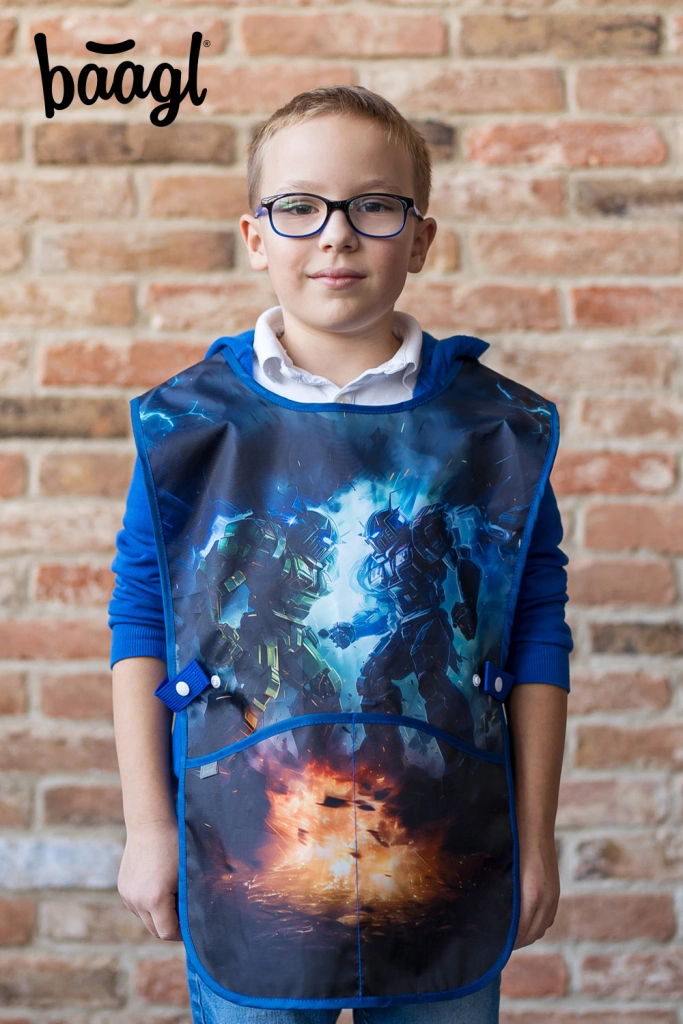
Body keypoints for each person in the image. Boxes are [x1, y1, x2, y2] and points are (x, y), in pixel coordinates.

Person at [109, 86, 572, 1024]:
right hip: (244, 856)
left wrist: (536, 837)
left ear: (421, 238)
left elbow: (533, 629)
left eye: (374, 206)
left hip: (449, 849)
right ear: (255, 236)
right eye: (299, 207)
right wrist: (149, 826)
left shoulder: (495, 429)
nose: (336, 235)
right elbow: (141, 618)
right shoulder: (189, 426)